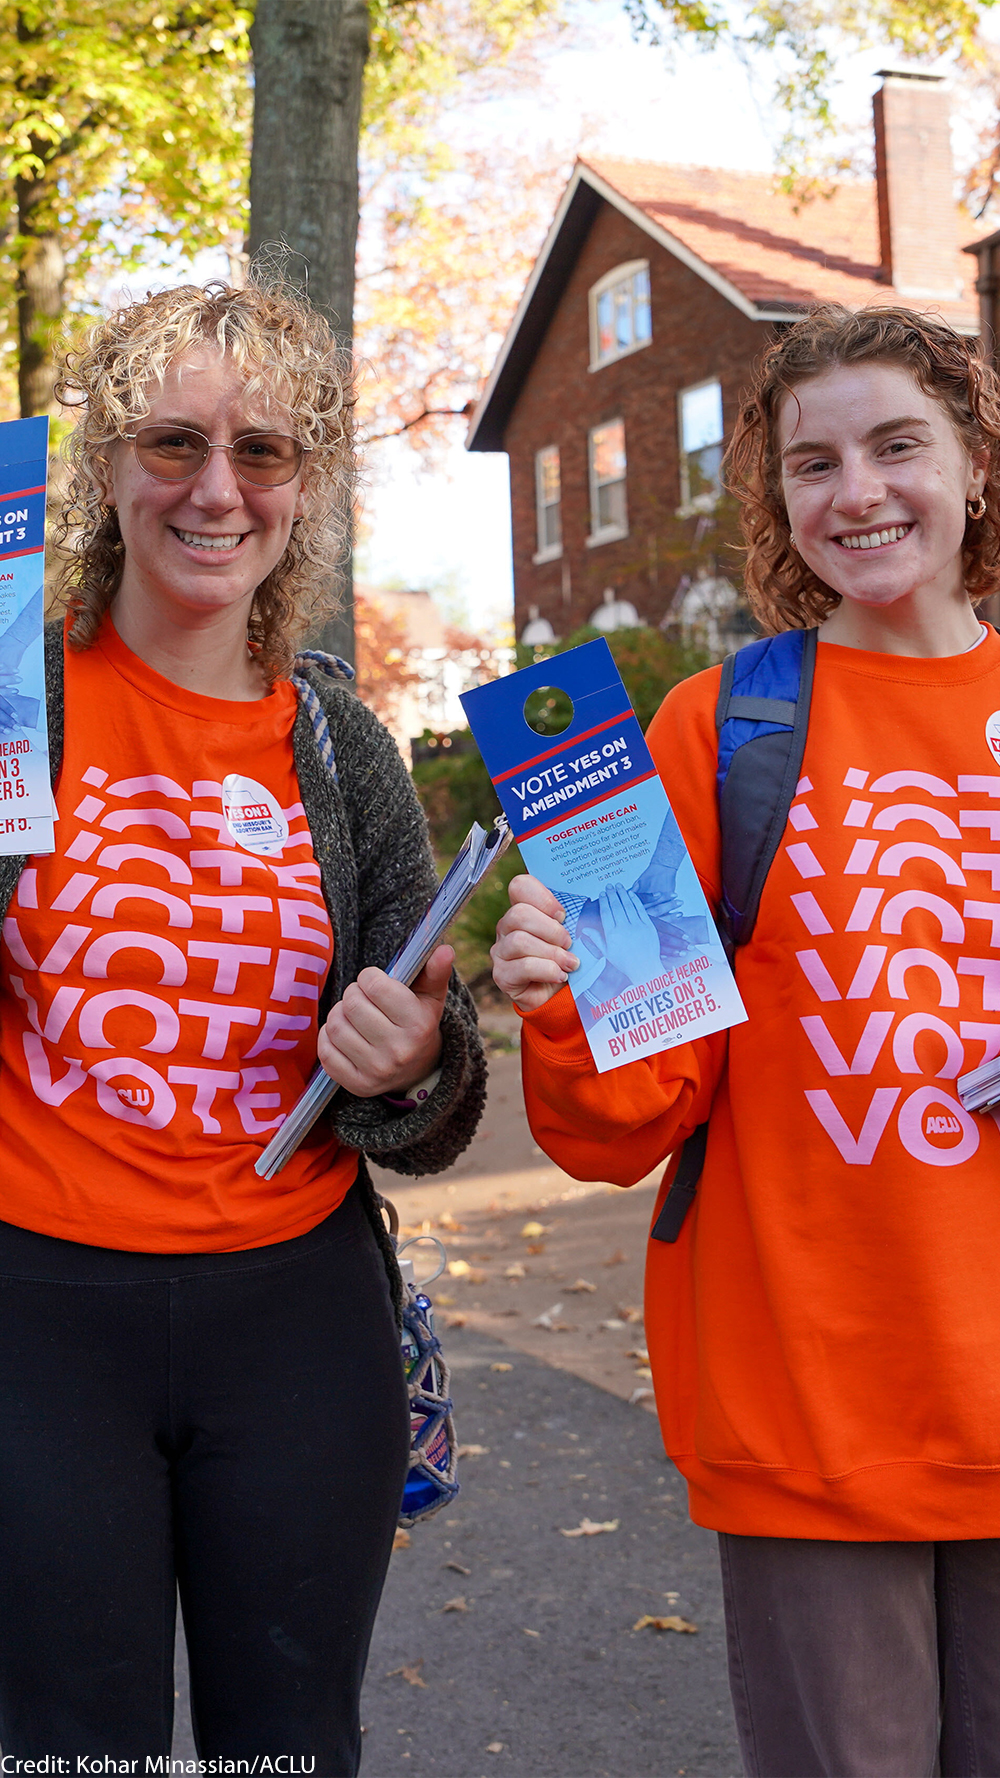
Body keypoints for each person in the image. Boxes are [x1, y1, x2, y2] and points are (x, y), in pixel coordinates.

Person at [491, 304, 1000, 1777]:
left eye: (898, 445)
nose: (859, 492)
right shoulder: (722, 727)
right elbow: (624, 1118)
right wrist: (563, 998)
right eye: (812, 461)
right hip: (811, 1409)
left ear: (973, 459)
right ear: (776, 497)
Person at [0, 279, 485, 1768]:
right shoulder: (19, 699)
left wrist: (415, 1061)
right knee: (70, 1748)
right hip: (36, 1313)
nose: (216, 488)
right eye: (172, 442)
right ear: (103, 465)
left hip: (295, 1323)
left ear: (304, 485)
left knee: (291, 1742)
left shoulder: (343, 746)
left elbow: (434, 1115)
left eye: (262, 451)